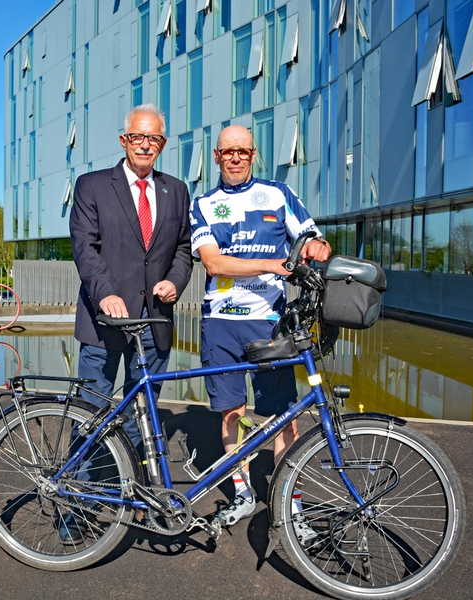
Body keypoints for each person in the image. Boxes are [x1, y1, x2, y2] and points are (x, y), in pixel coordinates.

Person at [189, 125, 332, 527]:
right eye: (227, 152)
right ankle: (243, 490)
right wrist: (273, 264)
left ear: (253, 155)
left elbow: (309, 238)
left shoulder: (278, 194)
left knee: (282, 415)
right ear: (216, 157)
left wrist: (315, 248)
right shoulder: (202, 203)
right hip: (221, 321)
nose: (235, 158)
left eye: (243, 151)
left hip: (270, 321)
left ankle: (292, 503)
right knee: (232, 411)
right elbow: (214, 263)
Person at [69, 103, 193, 447]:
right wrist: (106, 293)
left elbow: (184, 248)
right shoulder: (91, 186)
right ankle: (85, 492)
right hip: (104, 320)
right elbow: (84, 248)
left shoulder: (177, 190)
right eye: (137, 136)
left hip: (155, 320)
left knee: (144, 412)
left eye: (153, 138)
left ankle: (136, 488)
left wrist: (175, 281)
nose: (145, 144)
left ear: (163, 144)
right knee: (91, 412)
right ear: (124, 140)